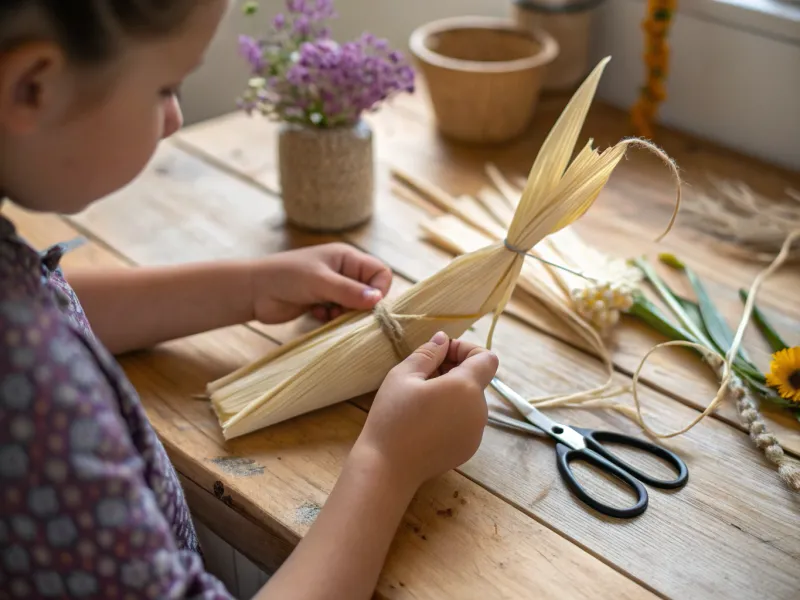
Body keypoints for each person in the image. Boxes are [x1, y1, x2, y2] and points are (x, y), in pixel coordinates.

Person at [0, 1, 500, 598]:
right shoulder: (35, 398)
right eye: (165, 87)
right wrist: (388, 464)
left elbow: (47, 299)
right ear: (33, 87)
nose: (175, 119)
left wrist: (245, 288)